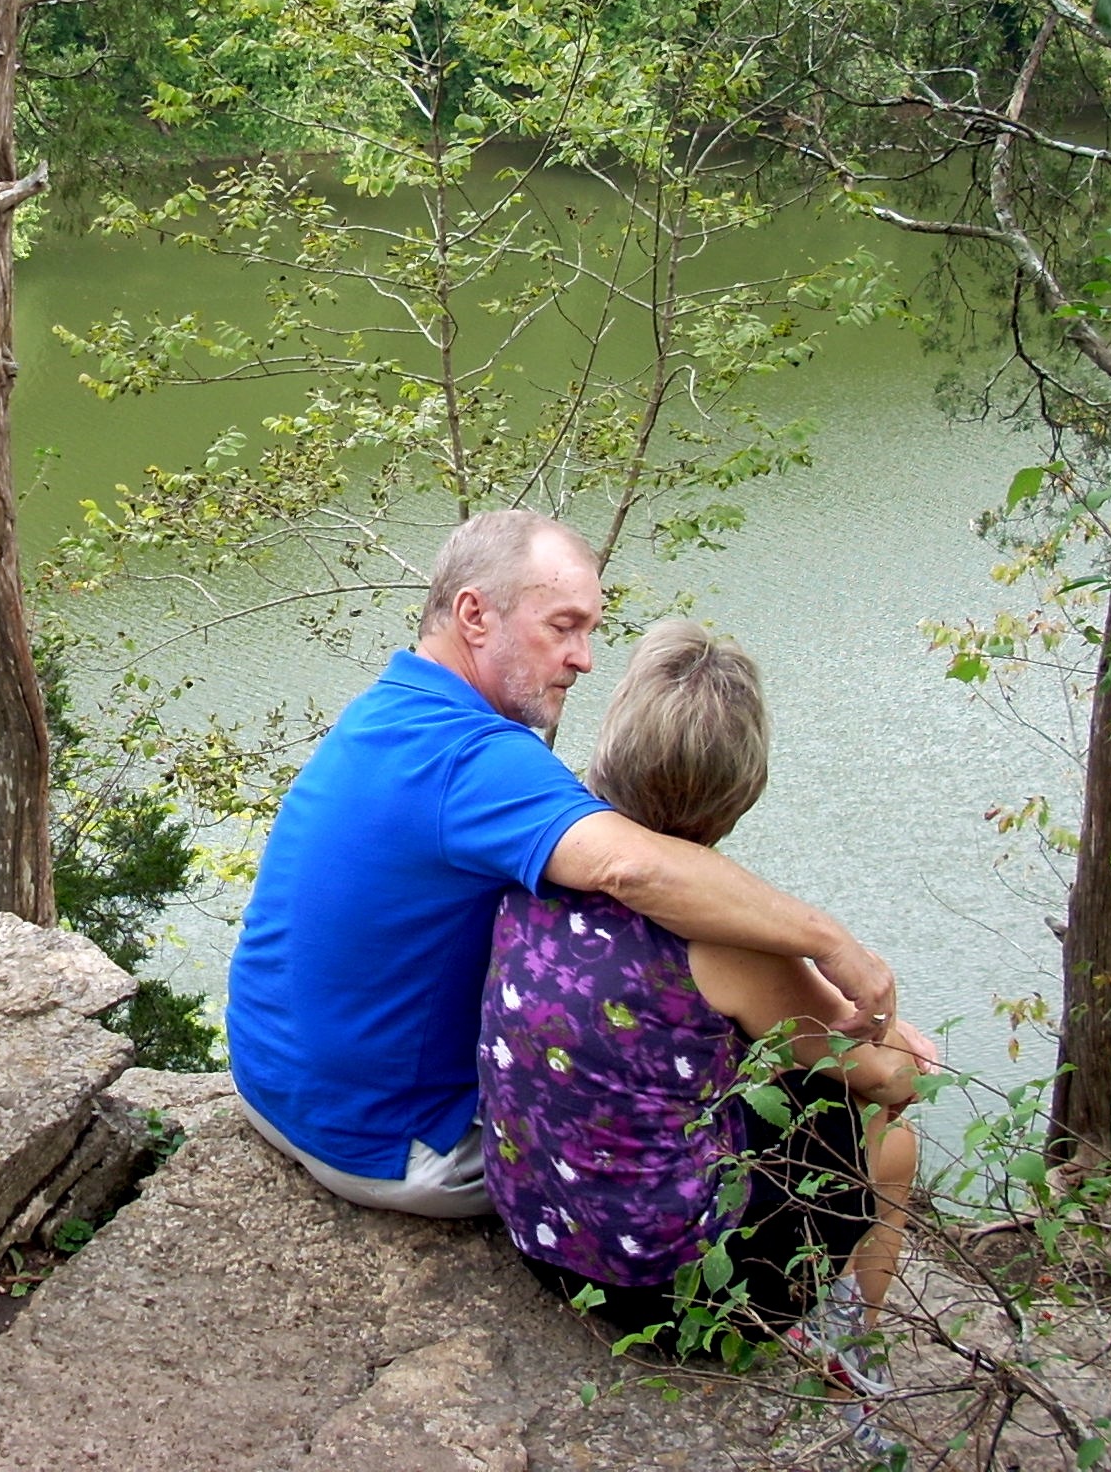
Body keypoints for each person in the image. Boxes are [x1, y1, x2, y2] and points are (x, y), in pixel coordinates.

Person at [223, 509, 907, 1220]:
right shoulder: (476, 757)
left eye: (590, 631)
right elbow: (634, 869)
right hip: (392, 1150)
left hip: (268, 1085)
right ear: (474, 615)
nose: (583, 657)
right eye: (562, 627)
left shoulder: (389, 712)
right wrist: (828, 941)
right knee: (791, 1104)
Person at [478, 618, 921, 1419]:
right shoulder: (733, 943)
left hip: (541, 1241)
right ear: (742, 784)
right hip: (665, 1299)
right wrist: (902, 1048)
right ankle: (853, 1346)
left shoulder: (539, 856)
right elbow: (882, 1076)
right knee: (889, 1133)